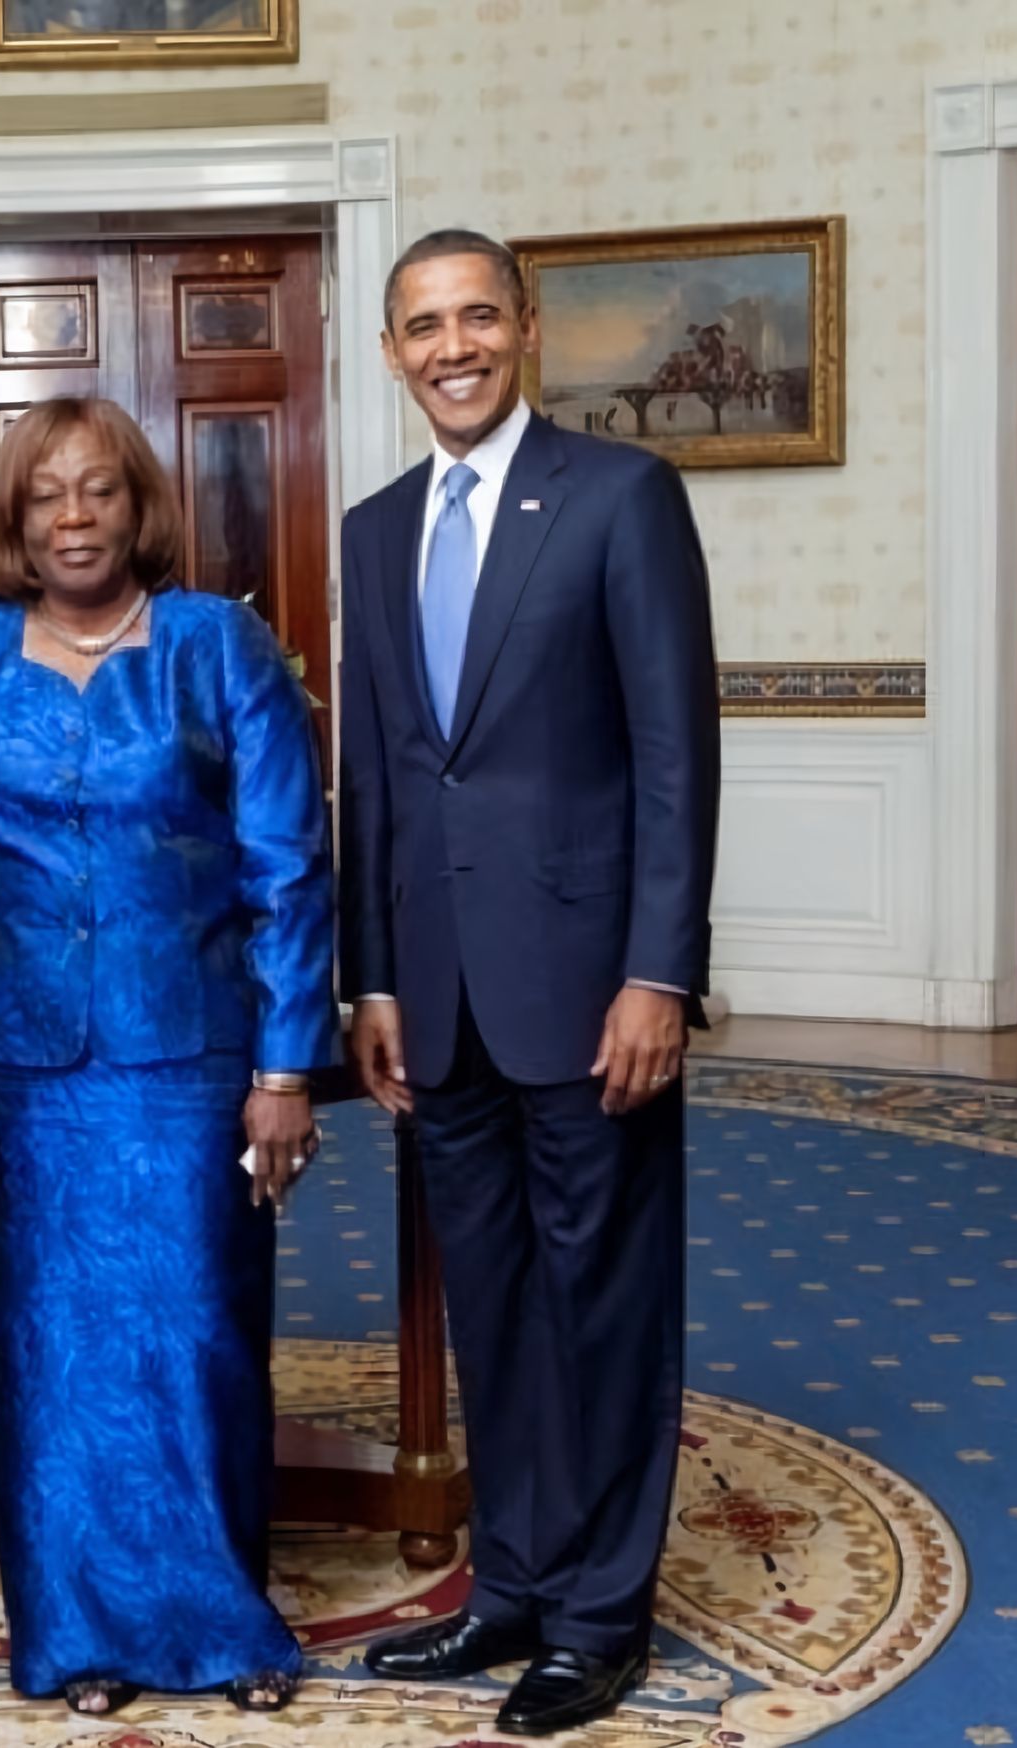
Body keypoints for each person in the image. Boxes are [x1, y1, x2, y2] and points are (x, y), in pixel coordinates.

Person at [0, 397, 333, 1717]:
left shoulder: (215, 643)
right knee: (46, 1351)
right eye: (45, 498)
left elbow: (288, 865)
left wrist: (288, 1063)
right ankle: (75, 1633)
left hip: (190, 1058)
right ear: (13, 523)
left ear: (139, 510)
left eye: (99, 492)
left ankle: (225, 1626)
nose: (74, 518)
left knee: (200, 1335)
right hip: (19, 1069)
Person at [342, 230, 720, 1737]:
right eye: (423, 325)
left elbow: (676, 759)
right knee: (489, 1302)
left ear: (528, 329)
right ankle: (511, 1585)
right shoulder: (374, 530)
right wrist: (370, 977)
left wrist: (659, 976)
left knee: (603, 1300)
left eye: (477, 316)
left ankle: (601, 1615)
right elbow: (374, 770)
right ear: (391, 352)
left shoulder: (622, 498)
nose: (452, 346)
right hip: (434, 994)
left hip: (586, 986)